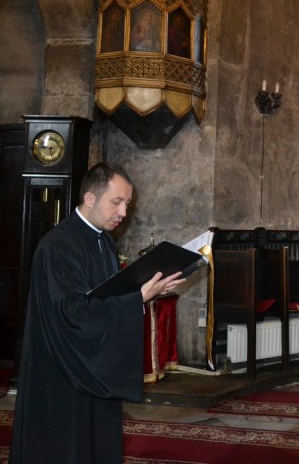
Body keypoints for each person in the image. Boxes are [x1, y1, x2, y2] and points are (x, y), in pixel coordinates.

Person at [10, 162, 185, 463]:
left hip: (93, 368)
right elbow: (73, 313)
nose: (123, 212)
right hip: (61, 375)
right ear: (90, 198)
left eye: (127, 204)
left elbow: (107, 298)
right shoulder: (59, 246)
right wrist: (137, 299)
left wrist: (145, 293)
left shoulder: (105, 243)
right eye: (116, 202)